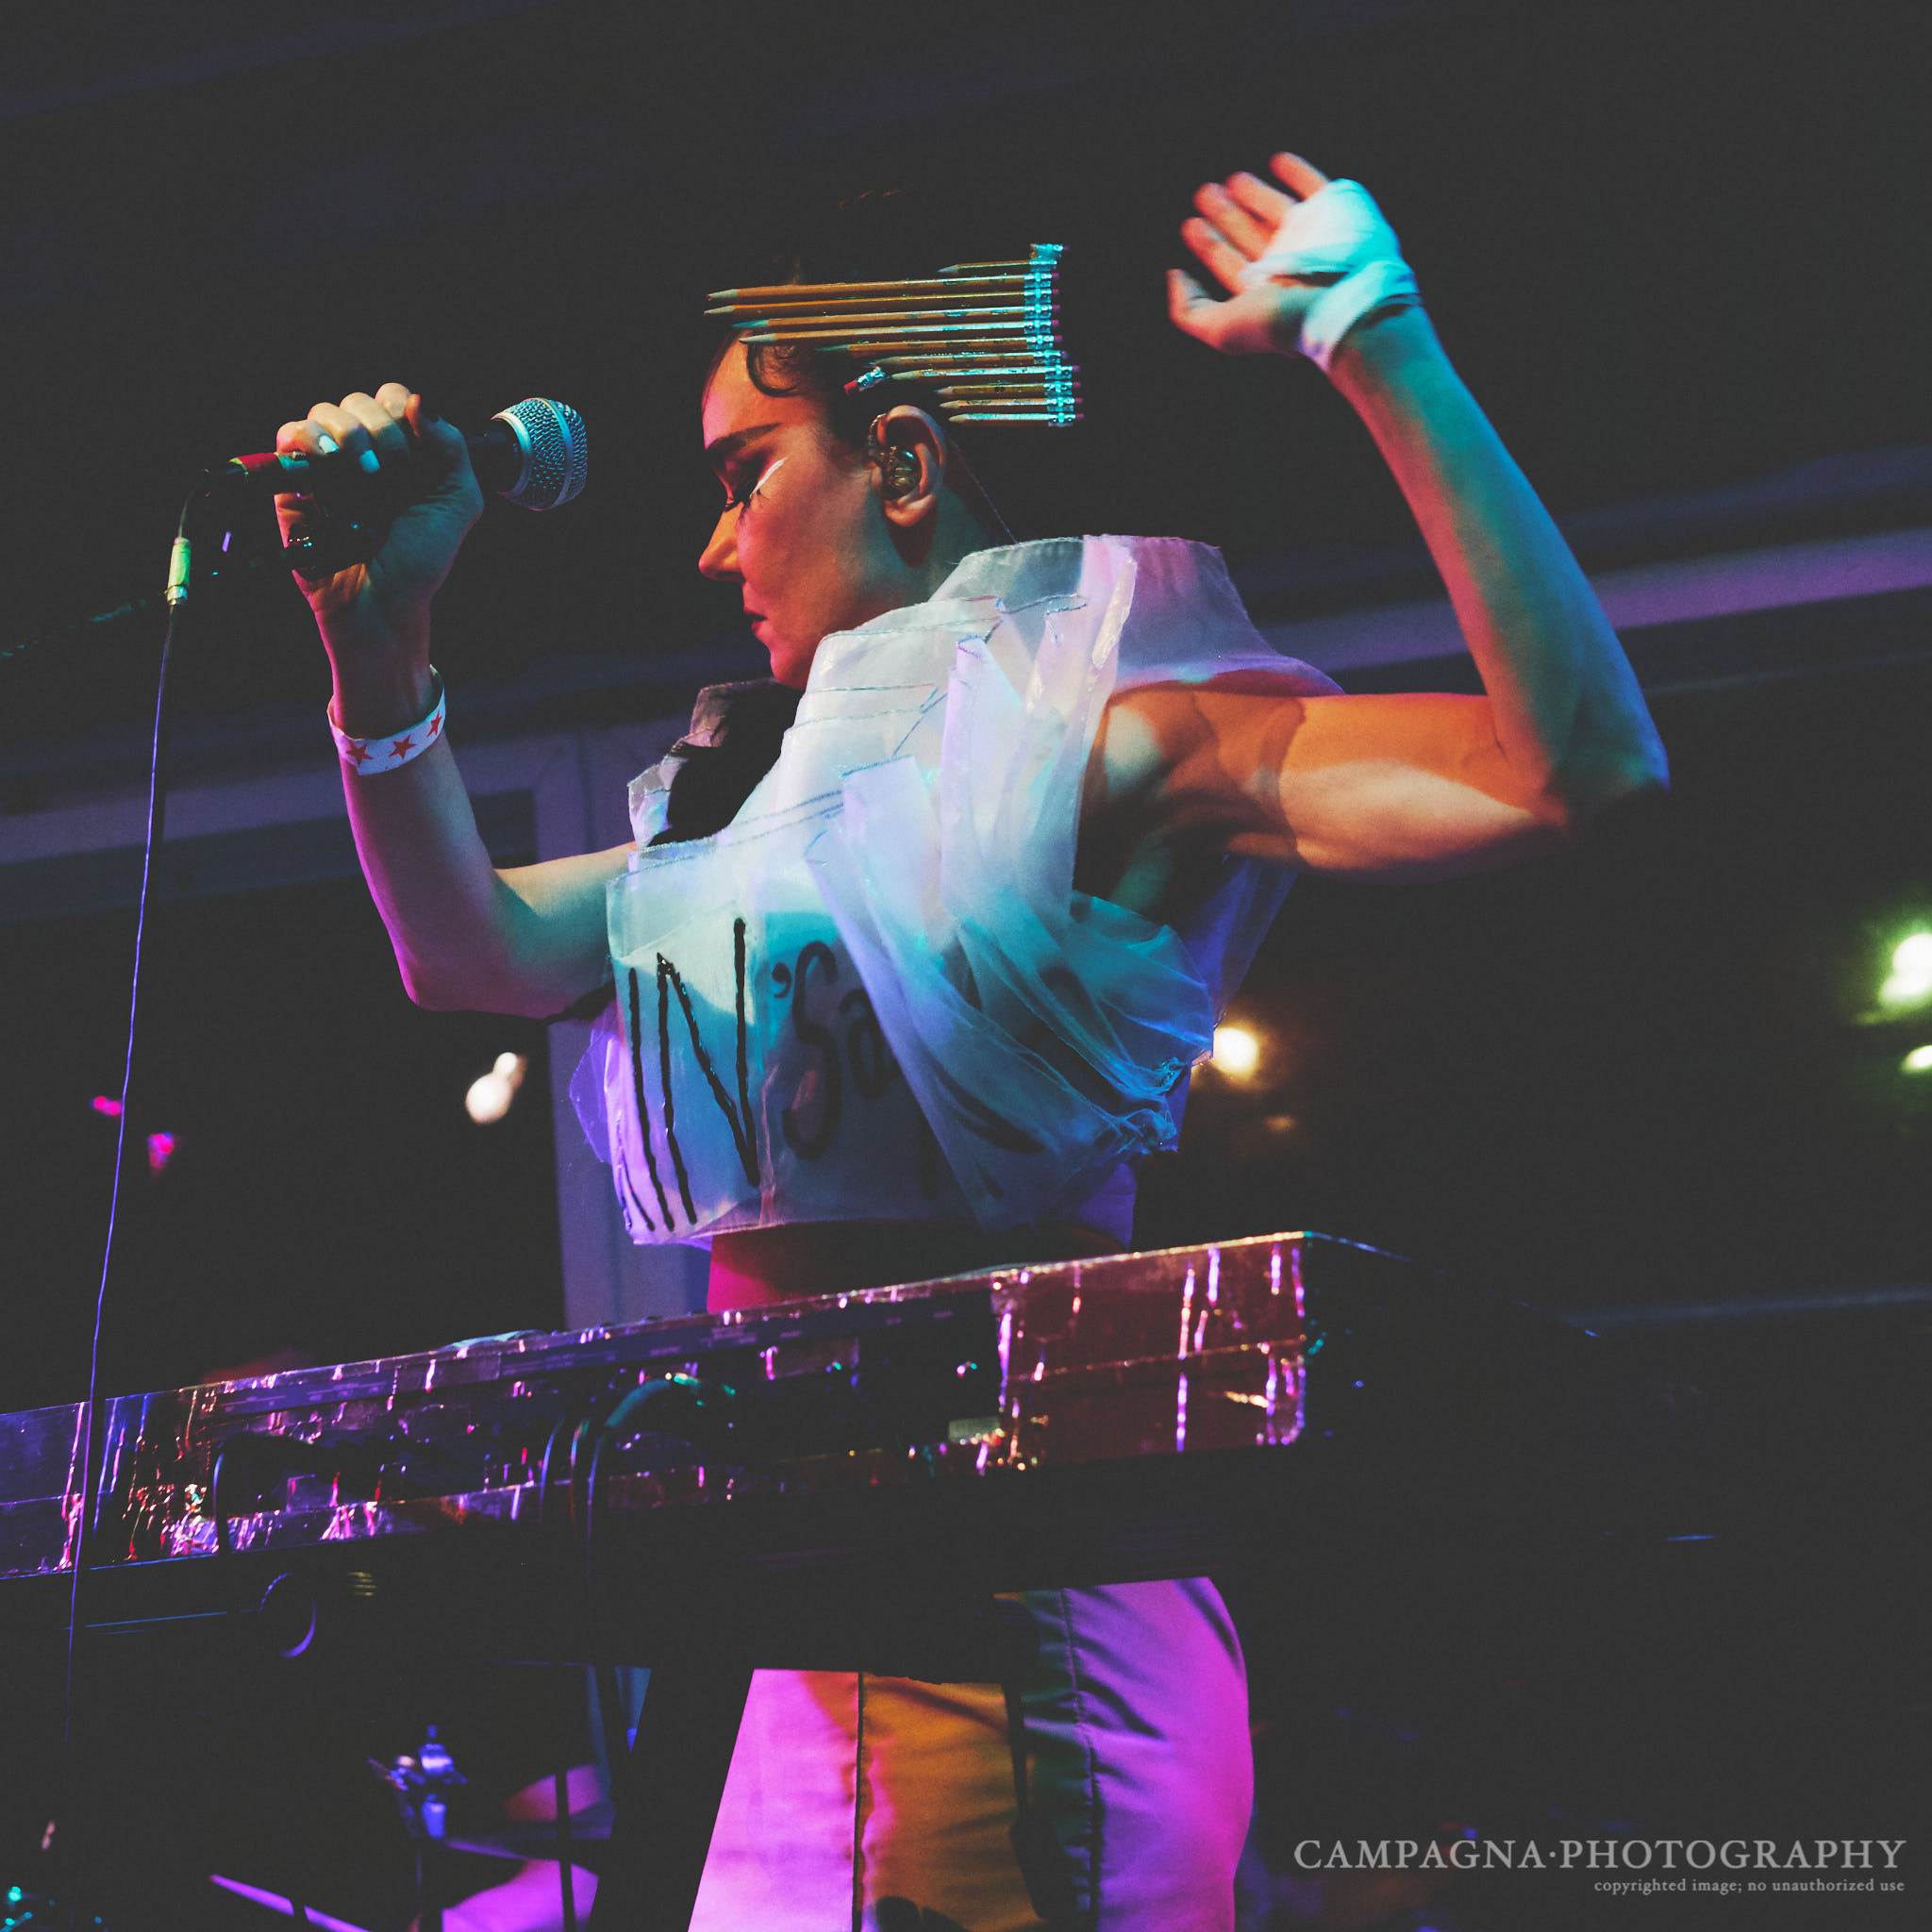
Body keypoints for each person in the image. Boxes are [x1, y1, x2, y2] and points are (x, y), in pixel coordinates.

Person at [278, 151, 1666, 1930]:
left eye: (744, 476)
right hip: (778, 1648)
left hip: (1020, 1636)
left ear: (906, 464)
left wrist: (1379, 345)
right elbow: (463, 951)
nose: (713, 544)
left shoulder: (1123, 738)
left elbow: (1576, 769)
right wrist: (375, 646)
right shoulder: (757, 833)